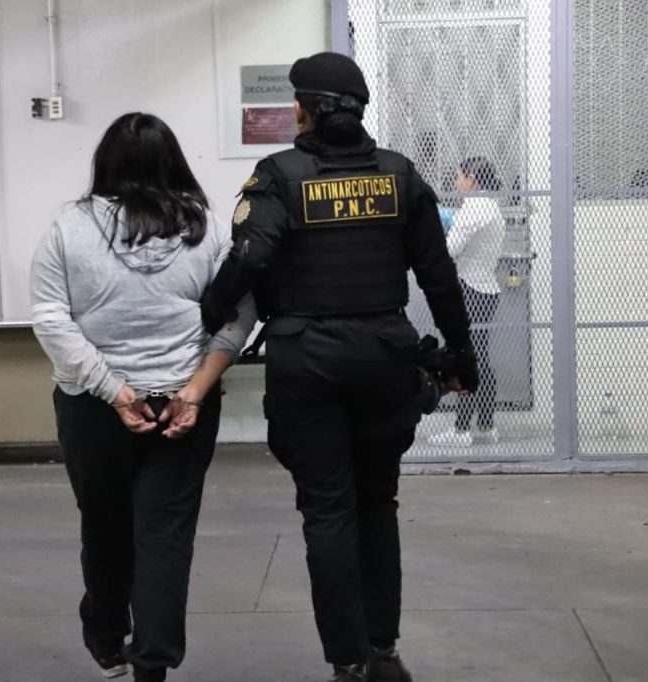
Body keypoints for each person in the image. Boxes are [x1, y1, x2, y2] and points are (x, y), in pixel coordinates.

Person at [200, 53, 477, 682]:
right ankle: (383, 650)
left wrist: (211, 311)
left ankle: (348, 661)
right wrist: (462, 355)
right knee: (377, 502)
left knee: (327, 512)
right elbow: (438, 275)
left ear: (305, 110)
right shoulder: (399, 175)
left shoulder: (279, 176)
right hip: (385, 357)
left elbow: (251, 255)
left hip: (307, 362)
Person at [30, 112, 256, 682]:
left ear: (104, 163)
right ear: (173, 161)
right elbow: (239, 312)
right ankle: (153, 659)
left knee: (104, 526)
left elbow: (51, 319)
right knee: (166, 533)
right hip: (184, 407)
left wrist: (113, 390)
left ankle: (108, 640)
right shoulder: (208, 231)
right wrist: (194, 391)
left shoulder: (68, 229)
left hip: (93, 407)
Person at [428, 157, 504, 448]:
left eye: (459, 176)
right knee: (481, 357)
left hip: (471, 289)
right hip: (487, 288)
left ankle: (461, 430)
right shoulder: (490, 206)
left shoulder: (474, 208)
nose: (456, 181)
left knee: (466, 357)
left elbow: (450, 250)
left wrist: (442, 227)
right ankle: (485, 425)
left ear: (472, 178)